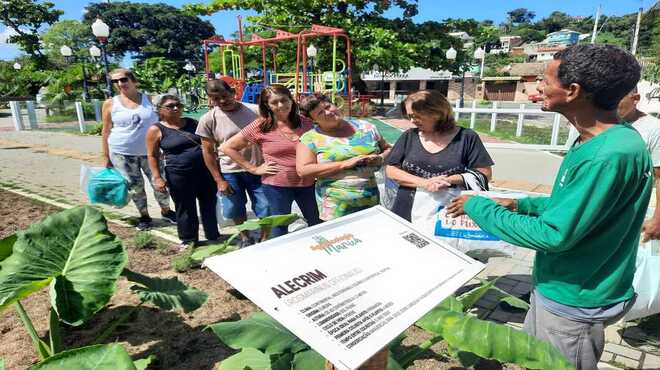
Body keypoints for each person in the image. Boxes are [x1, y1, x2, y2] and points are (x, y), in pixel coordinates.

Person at [446, 44, 651, 370]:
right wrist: (520, 203)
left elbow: (553, 234)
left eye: (544, 80)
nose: (537, 87)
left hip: (576, 296)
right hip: (566, 284)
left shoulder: (606, 154)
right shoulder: (605, 139)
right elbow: (576, 206)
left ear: (572, 91)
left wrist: (479, 208)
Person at [222, 85, 321, 237]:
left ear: (291, 100)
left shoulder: (306, 123)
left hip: (307, 184)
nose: (281, 105)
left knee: (316, 222)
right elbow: (228, 147)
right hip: (277, 186)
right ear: (267, 105)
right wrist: (253, 169)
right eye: (274, 102)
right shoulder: (261, 126)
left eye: (284, 100)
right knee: (280, 228)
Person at [384, 90, 493, 221]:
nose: (412, 121)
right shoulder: (409, 136)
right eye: (409, 116)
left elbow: (485, 173)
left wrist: (449, 180)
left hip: (450, 209)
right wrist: (425, 183)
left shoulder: (466, 137)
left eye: (416, 116)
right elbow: (391, 170)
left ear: (436, 112)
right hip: (407, 207)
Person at [196, 79, 269, 247]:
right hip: (230, 172)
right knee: (234, 208)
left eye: (224, 95)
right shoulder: (208, 119)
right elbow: (207, 152)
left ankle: (265, 238)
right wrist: (219, 180)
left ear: (233, 92)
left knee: (265, 206)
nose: (222, 101)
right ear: (210, 99)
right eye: (215, 99)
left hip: (258, 168)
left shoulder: (255, 111)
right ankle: (245, 237)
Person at [101, 68, 175, 230]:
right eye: (115, 81)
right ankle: (144, 216)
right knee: (135, 187)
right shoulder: (110, 104)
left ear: (134, 81)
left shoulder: (151, 101)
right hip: (122, 153)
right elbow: (106, 130)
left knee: (160, 183)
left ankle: (166, 210)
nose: (120, 84)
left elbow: (165, 124)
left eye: (123, 80)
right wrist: (106, 157)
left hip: (152, 154)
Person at [297, 93, 391, 220]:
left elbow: (388, 149)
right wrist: (343, 164)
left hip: (370, 200)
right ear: (313, 120)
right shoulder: (310, 138)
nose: (328, 112)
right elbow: (303, 170)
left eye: (328, 106)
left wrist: (380, 158)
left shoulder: (366, 127)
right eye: (320, 113)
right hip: (335, 207)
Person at [145, 95, 219, 248]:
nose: (176, 108)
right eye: (170, 106)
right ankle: (188, 240)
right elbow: (152, 155)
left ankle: (213, 235)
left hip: (204, 172)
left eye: (178, 105)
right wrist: (157, 177)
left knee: (209, 204)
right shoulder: (156, 129)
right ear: (160, 110)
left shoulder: (193, 123)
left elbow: (207, 144)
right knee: (185, 207)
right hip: (179, 174)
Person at [618, 87, 660, 242]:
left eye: (617, 98)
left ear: (635, 98)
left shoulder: (654, 129)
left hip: (637, 217)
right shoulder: (595, 123)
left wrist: (657, 219)